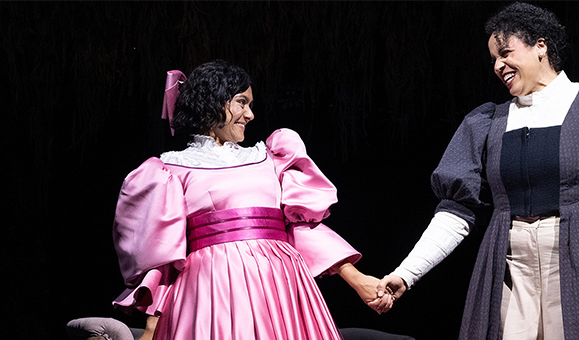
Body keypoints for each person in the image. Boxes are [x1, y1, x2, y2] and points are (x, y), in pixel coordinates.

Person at [377, 3, 579, 340]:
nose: (498, 66)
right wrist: (406, 274)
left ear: (540, 46)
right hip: (509, 269)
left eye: (506, 52)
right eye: (494, 59)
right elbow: (456, 211)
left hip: (578, 262)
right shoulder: (487, 122)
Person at [111, 60, 392, 340]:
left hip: (280, 285)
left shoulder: (269, 158)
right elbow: (162, 254)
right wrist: (151, 327)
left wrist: (358, 280)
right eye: (241, 102)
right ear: (213, 101)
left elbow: (301, 229)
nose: (250, 114)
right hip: (213, 289)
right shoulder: (171, 169)